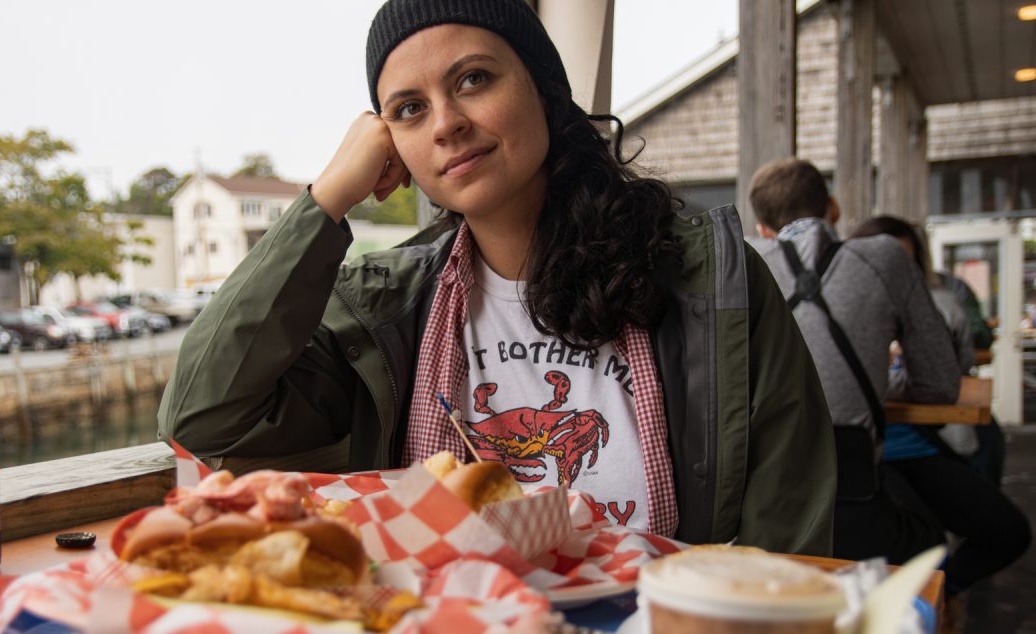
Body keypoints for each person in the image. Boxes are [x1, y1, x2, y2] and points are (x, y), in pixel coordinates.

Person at [158, 0, 836, 555]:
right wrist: (326, 199)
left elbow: (792, 529)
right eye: (409, 109)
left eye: (474, 79)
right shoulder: (385, 311)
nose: (448, 123)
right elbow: (203, 418)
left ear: (544, 91)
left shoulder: (713, 281)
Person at [748, 158, 961, 567]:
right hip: (854, 505)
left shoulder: (741, 261)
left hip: (758, 518)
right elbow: (941, 384)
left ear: (763, 229)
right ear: (834, 208)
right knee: (935, 545)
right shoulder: (884, 257)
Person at [848, 216, 1029, 594]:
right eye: (885, 263)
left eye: (905, 264)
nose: (895, 274)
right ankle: (920, 599)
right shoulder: (846, 308)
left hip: (919, 443)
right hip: (870, 455)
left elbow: (947, 375)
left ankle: (939, 594)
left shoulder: (939, 306)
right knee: (924, 543)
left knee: (1007, 529)